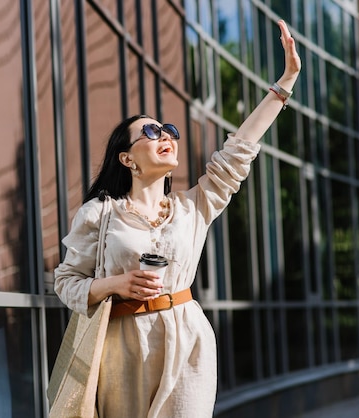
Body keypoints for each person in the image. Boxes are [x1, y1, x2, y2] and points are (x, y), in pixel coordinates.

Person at [53, 20, 301, 417]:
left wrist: (283, 85)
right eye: (151, 131)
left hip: (187, 340)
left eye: (168, 129)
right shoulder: (99, 213)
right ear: (127, 159)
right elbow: (66, 282)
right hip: (122, 348)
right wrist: (116, 283)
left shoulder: (192, 207)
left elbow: (240, 150)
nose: (166, 134)